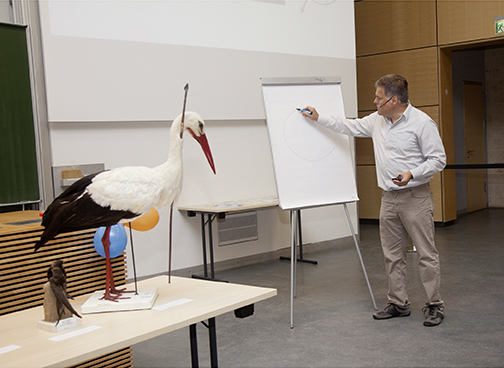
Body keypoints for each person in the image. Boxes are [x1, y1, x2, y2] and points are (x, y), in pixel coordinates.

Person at [300, 74, 446, 327]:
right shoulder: (376, 120)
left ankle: (434, 305)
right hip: (388, 198)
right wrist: (318, 117)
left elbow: (438, 159)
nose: (374, 101)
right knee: (392, 254)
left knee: (425, 253)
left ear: (394, 100)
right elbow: (349, 125)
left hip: (416, 197)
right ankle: (399, 303)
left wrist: (412, 174)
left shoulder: (422, 123)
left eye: (379, 97)